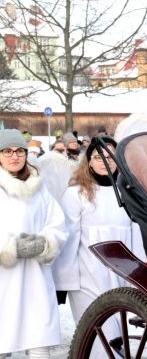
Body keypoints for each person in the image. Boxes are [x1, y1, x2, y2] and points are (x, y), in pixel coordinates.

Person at [53, 136, 146, 357]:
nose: (105, 161)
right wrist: (65, 281)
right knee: (97, 339)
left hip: (121, 275)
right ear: (89, 162)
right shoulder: (76, 194)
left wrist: (139, 277)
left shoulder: (129, 192)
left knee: (118, 338)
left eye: (110, 156)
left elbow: (136, 236)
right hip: (88, 277)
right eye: (98, 156)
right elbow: (69, 240)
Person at [0, 129, 67, 359]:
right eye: (7, 151)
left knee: (39, 340)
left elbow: (57, 224)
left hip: (36, 277)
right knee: (3, 340)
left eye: (19, 151)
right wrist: (10, 247)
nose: (14, 156)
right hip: (4, 280)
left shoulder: (39, 189)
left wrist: (45, 243)